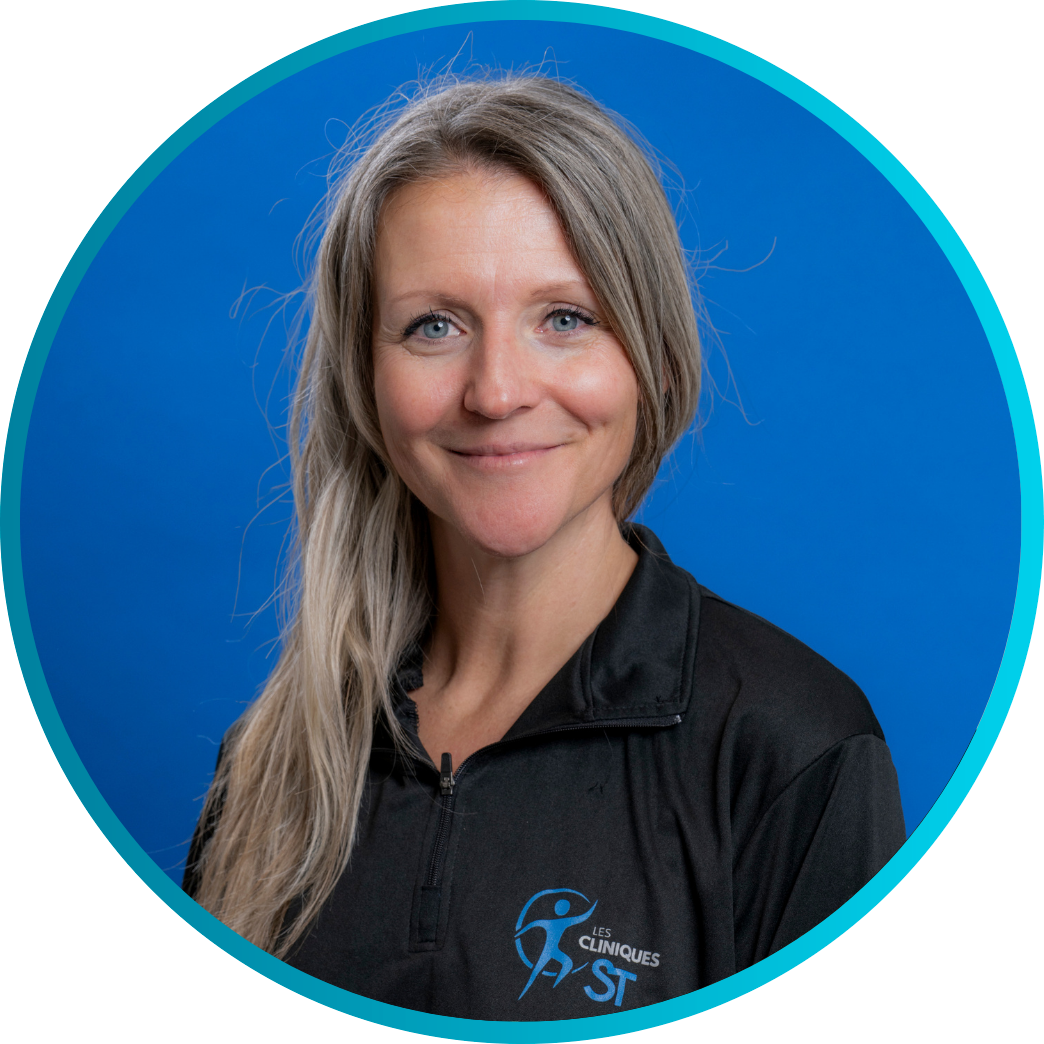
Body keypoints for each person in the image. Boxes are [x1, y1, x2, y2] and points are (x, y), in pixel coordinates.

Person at [184, 74, 905, 1020]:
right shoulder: (272, 762)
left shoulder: (793, 750)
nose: (496, 392)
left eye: (565, 319)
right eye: (434, 326)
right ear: (366, 380)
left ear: (652, 358)